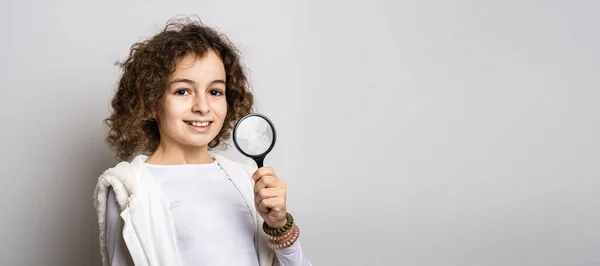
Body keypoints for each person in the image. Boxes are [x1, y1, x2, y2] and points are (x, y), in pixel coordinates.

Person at [93, 17, 311, 266]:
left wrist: (280, 226)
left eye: (215, 91)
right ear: (151, 101)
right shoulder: (128, 188)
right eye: (183, 91)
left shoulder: (247, 179)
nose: (202, 107)